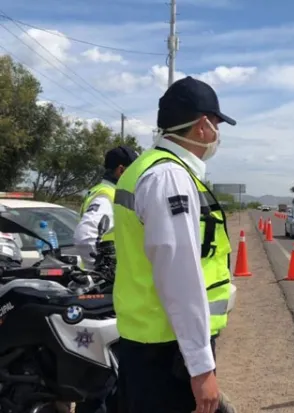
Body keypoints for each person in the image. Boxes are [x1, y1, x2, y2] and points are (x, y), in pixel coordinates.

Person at [112, 76, 236, 413]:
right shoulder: (170, 178)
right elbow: (180, 276)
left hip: (149, 343)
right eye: (217, 125)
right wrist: (201, 368)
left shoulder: (145, 168)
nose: (218, 135)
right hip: (167, 352)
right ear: (201, 126)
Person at [74, 146, 139, 268]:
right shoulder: (108, 196)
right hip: (106, 283)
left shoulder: (104, 191)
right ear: (121, 171)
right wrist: (102, 270)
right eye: (135, 171)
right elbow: (85, 236)